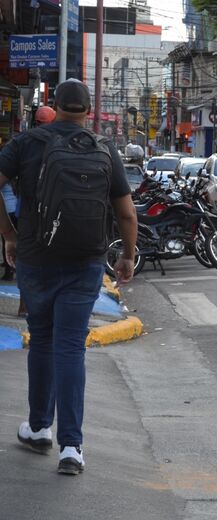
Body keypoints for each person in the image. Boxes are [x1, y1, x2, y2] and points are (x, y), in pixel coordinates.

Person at [0, 79, 138, 475]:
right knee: (70, 348)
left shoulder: (27, 143)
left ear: (53, 104)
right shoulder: (104, 149)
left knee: (42, 339)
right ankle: (71, 447)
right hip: (85, 262)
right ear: (89, 110)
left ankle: (39, 426)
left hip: (35, 258)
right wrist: (126, 257)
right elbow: (127, 214)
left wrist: (9, 234)